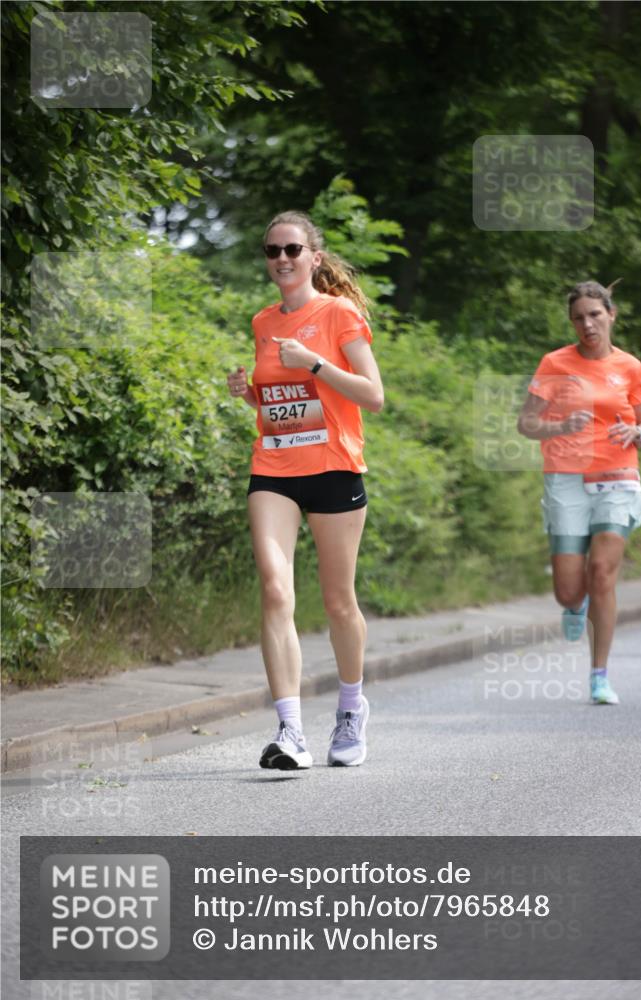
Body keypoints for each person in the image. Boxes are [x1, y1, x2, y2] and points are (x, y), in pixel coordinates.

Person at [227, 211, 384, 769]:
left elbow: (373, 395)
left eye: (292, 249)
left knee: (339, 602)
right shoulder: (263, 322)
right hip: (274, 467)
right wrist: (249, 393)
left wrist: (314, 362)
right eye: (272, 251)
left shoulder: (339, 314)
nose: (282, 259)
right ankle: (290, 731)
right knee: (275, 590)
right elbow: (281, 404)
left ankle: (351, 708)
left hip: (334, 469)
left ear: (314, 257)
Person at [517, 280, 641, 705]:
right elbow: (526, 423)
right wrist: (560, 426)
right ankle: (574, 605)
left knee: (603, 573)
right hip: (567, 479)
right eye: (579, 318)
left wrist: (637, 432)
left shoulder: (630, 366)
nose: (587, 324)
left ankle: (599, 675)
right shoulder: (555, 363)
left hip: (618, 475)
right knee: (569, 590)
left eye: (595, 314)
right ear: (572, 323)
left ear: (611, 314)